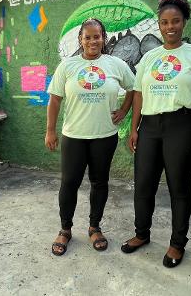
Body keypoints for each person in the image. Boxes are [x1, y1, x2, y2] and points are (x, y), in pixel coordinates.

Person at [121, 0, 191, 268]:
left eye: (175, 21)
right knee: (143, 184)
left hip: (183, 125)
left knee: (179, 188)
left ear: (184, 22)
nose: (170, 26)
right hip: (150, 127)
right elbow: (139, 94)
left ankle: (177, 244)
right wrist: (134, 127)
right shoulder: (150, 57)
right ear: (159, 25)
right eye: (164, 22)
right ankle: (141, 234)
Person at [45, 18, 136, 256]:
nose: (92, 41)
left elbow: (134, 89)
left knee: (99, 182)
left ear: (103, 39)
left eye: (97, 36)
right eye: (88, 37)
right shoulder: (68, 66)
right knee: (69, 183)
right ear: (81, 40)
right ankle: (65, 229)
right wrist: (50, 130)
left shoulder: (115, 64)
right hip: (74, 135)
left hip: (104, 136)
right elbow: (54, 99)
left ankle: (95, 227)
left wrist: (124, 110)